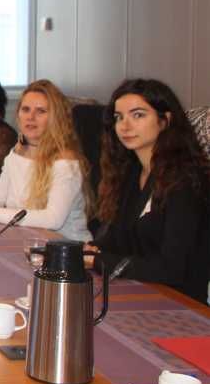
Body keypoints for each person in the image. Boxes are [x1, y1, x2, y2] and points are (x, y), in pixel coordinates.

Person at [89, 78, 210, 302]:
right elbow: (120, 239)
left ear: (165, 120)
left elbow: (172, 268)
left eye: (138, 115)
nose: (125, 126)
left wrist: (98, 260)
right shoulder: (131, 172)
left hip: (180, 302)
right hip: (138, 288)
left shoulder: (186, 180)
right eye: (119, 117)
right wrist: (88, 250)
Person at [0, 79, 91, 242]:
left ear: (56, 118)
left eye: (41, 111)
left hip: (66, 246)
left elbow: (53, 219)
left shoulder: (65, 162)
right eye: (26, 109)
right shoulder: (17, 150)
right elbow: (0, 194)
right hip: (27, 238)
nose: (31, 117)